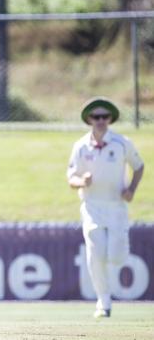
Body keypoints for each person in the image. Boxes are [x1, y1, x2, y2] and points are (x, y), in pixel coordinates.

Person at [67, 97, 144, 318]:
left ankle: (106, 294)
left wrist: (131, 190)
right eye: (96, 117)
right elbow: (71, 177)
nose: (100, 121)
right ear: (89, 120)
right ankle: (104, 301)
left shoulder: (122, 143)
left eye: (104, 117)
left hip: (116, 207)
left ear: (110, 119)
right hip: (92, 207)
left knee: (116, 257)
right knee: (95, 252)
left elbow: (139, 166)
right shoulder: (80, 146)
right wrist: (83, 182)